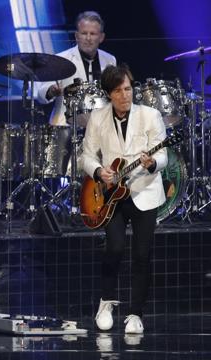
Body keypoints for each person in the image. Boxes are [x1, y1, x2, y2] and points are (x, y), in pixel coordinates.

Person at [80, 64, 168, 334]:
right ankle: (106, 303)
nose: (125, 95)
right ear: (109, 93)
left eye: (128, 89)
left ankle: (135, 314)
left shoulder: (151, 115)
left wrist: (152, 163)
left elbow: (163, 156)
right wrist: (99, 171)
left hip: (144, 191)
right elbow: (87, 156)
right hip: (111, 194)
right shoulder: (98, 117)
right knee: (115, 248)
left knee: (142, 254)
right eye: (118, 91)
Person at [35, 11, 116, 126]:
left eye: (93, 34)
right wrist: (51, 91)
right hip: (65, 127)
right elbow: (40, 94)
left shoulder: (110, 60)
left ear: (101, 37)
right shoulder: (60, 59)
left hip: (100, 127)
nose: (88, 38)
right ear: (77, 36)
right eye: (84, 33)